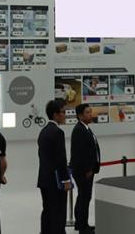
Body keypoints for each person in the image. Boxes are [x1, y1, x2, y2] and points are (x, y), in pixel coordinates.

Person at [38, 99, 71, 234]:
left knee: (47, 211)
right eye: (63, 112)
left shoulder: (43, 131)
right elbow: (60, 159)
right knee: (58, 213)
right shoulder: (57, 132)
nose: (65, 115)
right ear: (55, 114)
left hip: (44, 179)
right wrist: (66, 179)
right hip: (56, 180)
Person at [70, 104, 100, 234]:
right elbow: (80, 153)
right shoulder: (79, 130)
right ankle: (83, 227)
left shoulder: (85, 128)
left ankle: (81, 223)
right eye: (87, 112)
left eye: (90, 112)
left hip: (87, 170)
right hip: (83, 171)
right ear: (80, 115)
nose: (90, 114)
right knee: (84, 197)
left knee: (84, 197)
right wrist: (87, 169)